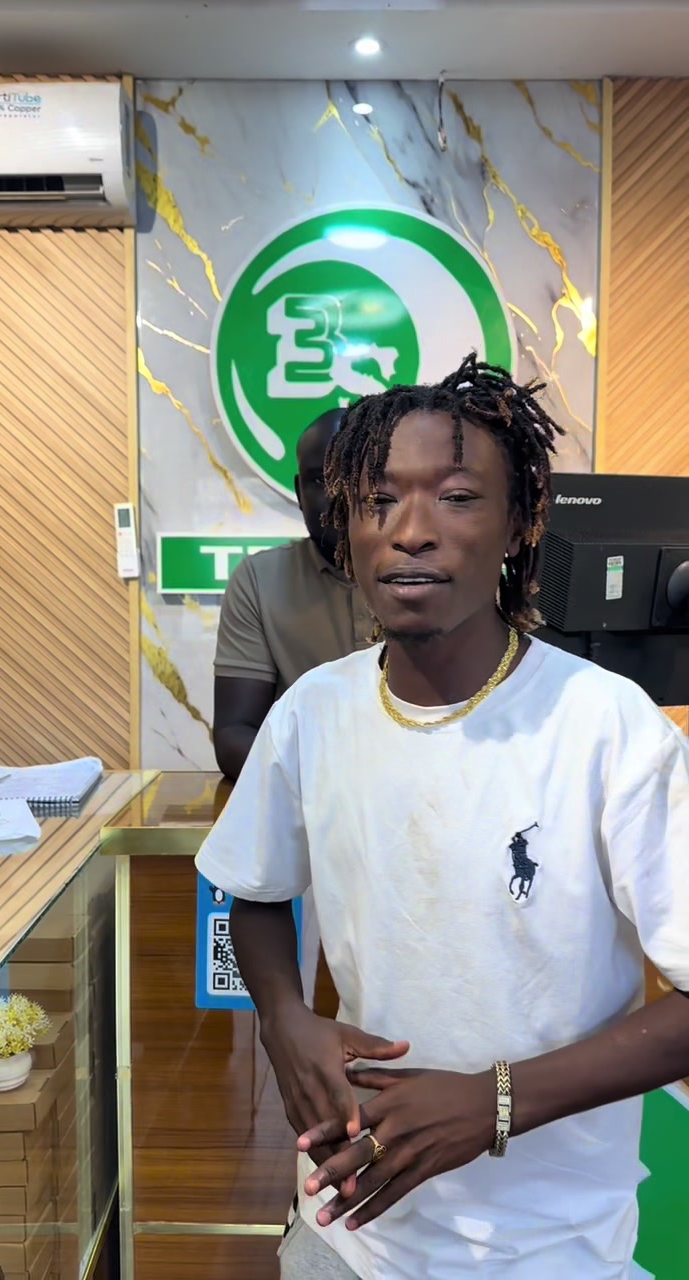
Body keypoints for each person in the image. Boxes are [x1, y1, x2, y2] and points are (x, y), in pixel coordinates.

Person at [196, 354, 689, 1279]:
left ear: (518, 523)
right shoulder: (313, 712)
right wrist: (284, 1018)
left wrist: (493, 1102)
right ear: (345, 530)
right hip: (350, 1229)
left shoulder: (607, 728)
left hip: (550, 1246)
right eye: (378, 501)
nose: (411, 531)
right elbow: (253, 891)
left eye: (457, 498)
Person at [213, 408, 373, 781]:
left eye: (354, 478)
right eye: (320, 480)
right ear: (300, 492)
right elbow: (233, 735)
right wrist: (335, 785)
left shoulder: (430, 576)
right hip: (305, 796)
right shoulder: (258, 580)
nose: (337, 495)